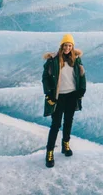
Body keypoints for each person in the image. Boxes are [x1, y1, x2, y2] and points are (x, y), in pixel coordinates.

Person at [42, 33, 86, 168]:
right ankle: (49, 152)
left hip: (71, 95)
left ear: (72, 47)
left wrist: (82, 90)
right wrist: (49, 94)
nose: (67, 48)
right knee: (55, 125)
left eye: (69, 45)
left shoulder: (76, 60)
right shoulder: (53, 60)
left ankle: (65, 144)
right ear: (61, 46)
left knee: (68, 122)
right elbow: (45, 78)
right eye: (65, 45)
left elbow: (82, 75)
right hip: (58, 96)